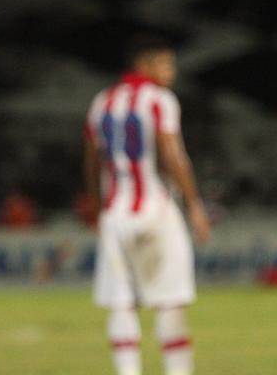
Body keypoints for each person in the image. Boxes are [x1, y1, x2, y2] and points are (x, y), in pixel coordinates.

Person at [84, 37, 212, 375]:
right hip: (156, 211)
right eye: (165, 65)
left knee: (121, 302)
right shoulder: (159, 100)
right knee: (169, 301)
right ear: (145, 65)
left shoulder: (103, 101)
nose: (171, 72)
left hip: (115, 213)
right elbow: (172, 154)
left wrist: (97, 207)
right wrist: (194, 204)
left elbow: (92, 161)